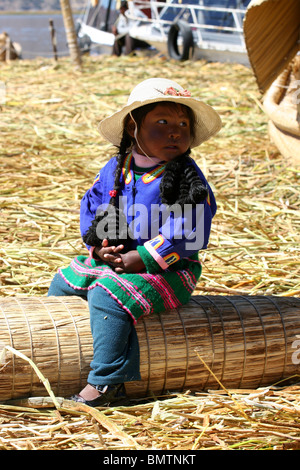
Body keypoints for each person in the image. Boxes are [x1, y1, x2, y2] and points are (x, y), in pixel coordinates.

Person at [48, 77, 222, 406]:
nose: (175, 131)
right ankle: (58, 356)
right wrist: (100, 246)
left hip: (169, 271)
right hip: (119, 261)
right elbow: (96, 205)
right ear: (133, 128)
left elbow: (192, 226)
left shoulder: (187, 178)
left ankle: (106, 382)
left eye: (183, 124)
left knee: (107, 296)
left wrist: (144, 255)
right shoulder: (117, 168)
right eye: (162, 122)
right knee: (63, 280)